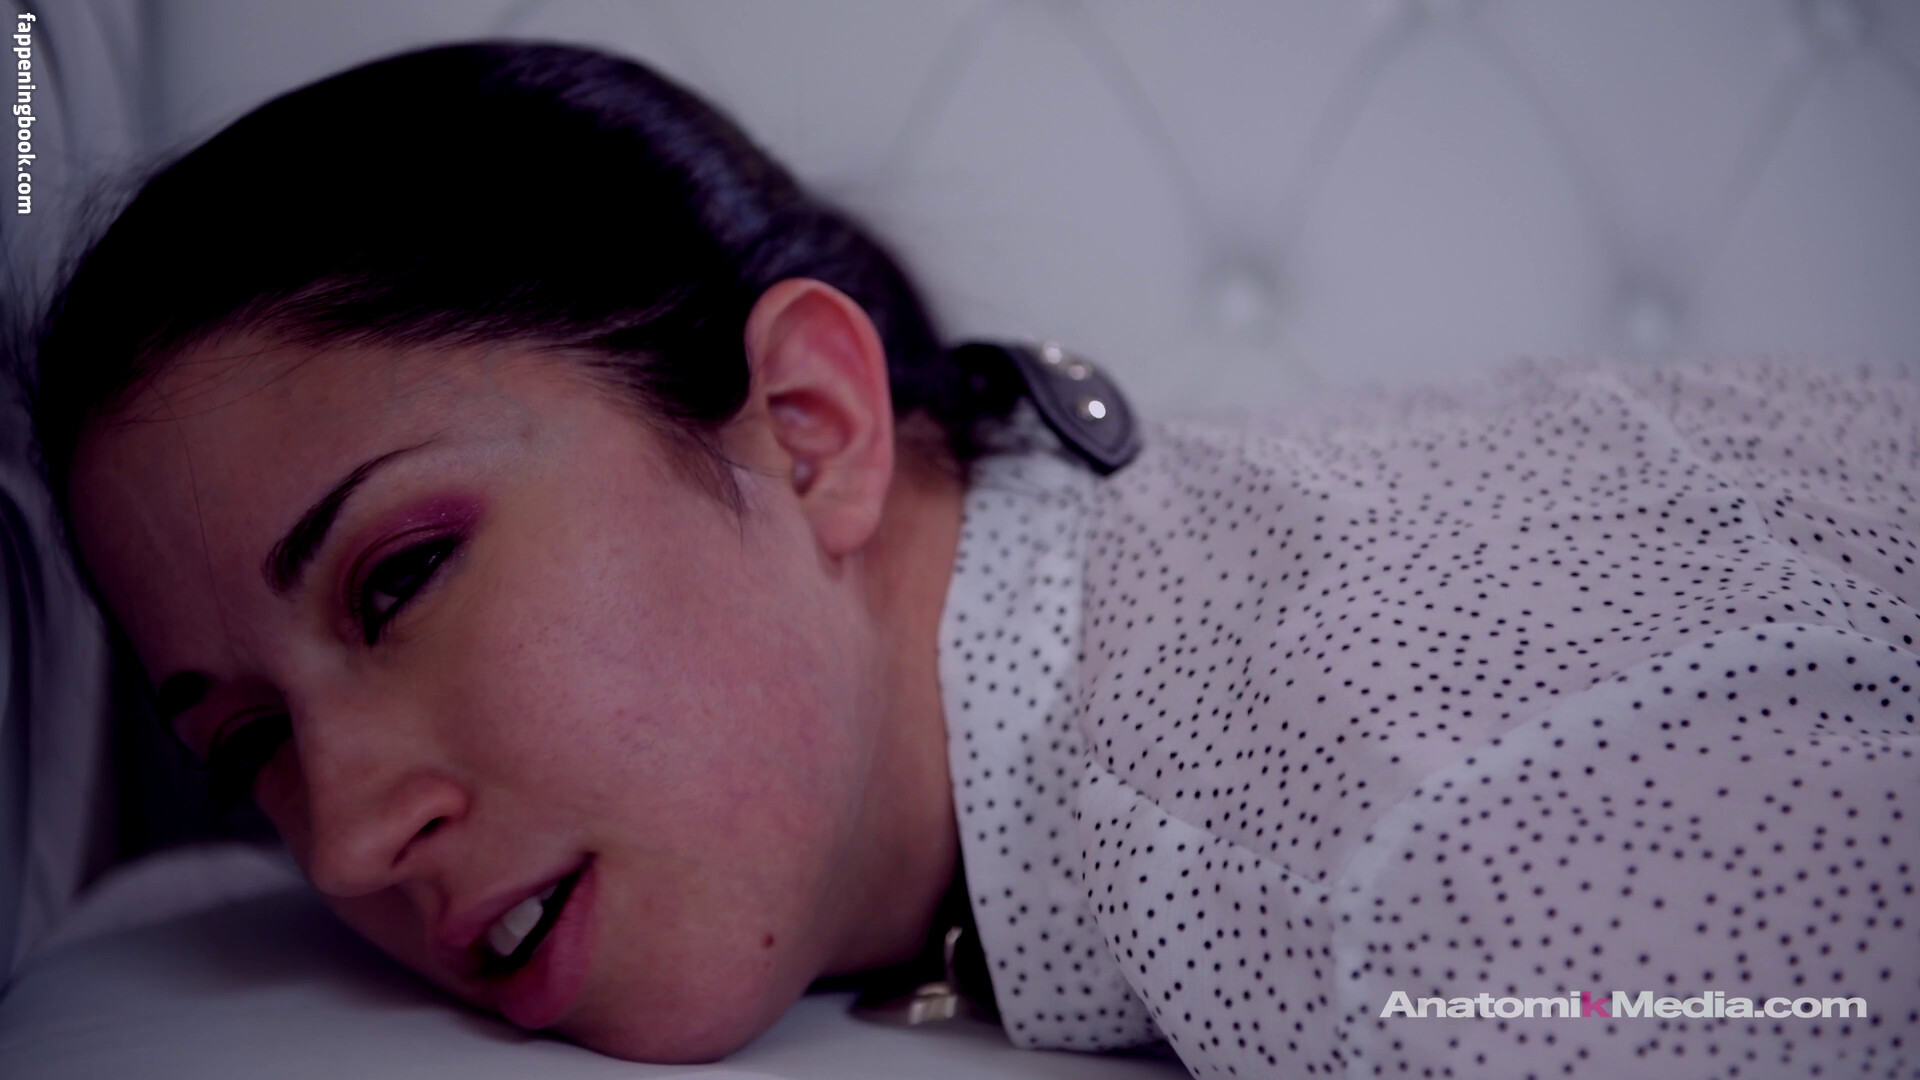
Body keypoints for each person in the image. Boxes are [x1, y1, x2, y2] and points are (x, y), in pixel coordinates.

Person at [28, 40, 1919, 1078]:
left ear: (807, 429)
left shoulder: (1372, 852)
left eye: (397, 579)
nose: (344, 842)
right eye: (246, 745)